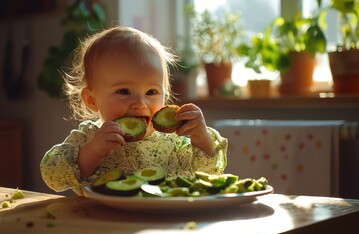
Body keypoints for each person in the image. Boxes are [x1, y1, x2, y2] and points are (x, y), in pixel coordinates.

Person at [40, 26, 228, 196]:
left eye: (151, 92)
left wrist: (202, 140)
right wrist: (91, 152)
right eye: (124, 91)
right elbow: (52, 176)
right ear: (91, 99)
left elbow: (210, 173)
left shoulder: (175, 141)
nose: (140, 103)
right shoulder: (89, 137)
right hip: (101, 225)